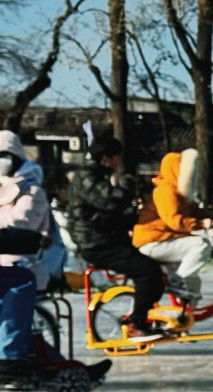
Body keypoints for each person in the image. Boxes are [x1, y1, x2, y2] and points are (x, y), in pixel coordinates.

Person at [0, 132, 109, 392]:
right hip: (10, 258)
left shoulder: (31, 190)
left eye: (4, 157)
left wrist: (23, 240)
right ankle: (12, 363)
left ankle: (57, 369)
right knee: (18, 288)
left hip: (26, 259)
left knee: (19, 290)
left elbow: (22, 225)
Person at [65, 141, 170, 337]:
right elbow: (108, 200)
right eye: (117, 157)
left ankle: (144, 315)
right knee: (147, 273)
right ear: (106, 158)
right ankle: (136, 324)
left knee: (154, 273)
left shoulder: (96, 175)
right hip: (95, 243)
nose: (119, 161)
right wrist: (133, 194)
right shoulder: (87, 176)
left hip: (105, 238)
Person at [133, 149, 213, 302]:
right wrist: (202, 224)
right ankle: (177, 282)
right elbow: (174, 220)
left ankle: (182, 319)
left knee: (193, 282)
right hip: (152, 241)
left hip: (163, 239)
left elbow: (194, 210)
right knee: (201, 245)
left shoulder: (181, 193)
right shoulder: (165, 191)